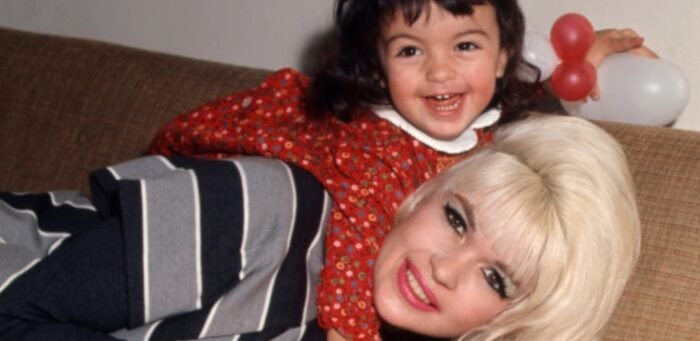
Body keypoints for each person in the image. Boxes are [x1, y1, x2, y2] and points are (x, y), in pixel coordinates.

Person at [147, 0, 654, 338]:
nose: (440, 71)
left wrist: (586, 57)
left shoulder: (491, 132)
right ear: (380, 63)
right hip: (228, 193)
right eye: (410, 50)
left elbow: (534, 118)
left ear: (504, 58)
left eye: (466, 47)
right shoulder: (378, 156)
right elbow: (353, 257)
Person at [0, 115, 640, 341]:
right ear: (422, 192)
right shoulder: (273, 210)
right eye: (456, 219)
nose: (444, 269)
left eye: (496, 277)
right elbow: (5, 311)